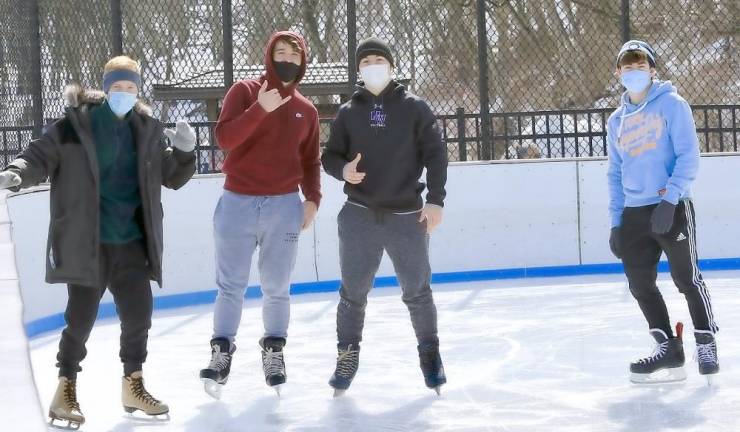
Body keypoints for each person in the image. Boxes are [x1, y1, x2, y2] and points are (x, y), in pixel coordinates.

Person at [0, 55, 196, 426]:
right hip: (88, 242)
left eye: (131, 88)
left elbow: (172, 175)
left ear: (138, 91)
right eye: (118, 87)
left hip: (132, 242)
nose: (124, 93)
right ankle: (65, 387)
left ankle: (133, 385)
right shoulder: (76, 126)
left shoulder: (146, 129)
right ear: (105, 89)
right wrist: (16, 172)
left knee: (139, 315)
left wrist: (185, 153)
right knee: (80, 319)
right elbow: (40, 155)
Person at [321, 37, 448, 396]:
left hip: (407, 216)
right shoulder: (348, 112)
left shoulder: (415, 108)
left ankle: (430, 355)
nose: (373, 65)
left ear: (391, 66)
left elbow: (436, 155)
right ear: (358, 69)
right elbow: (329, 157)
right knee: (352, 294)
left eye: (380, 59)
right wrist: (343, 170)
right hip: (359, 215)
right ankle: (346, 357)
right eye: (366, 61)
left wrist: (435, 200)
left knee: (417, 292)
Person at [199, 31, 321, 398]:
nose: (286, 59)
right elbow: (225, 139)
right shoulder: (245, 91)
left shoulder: (307, 110)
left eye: (293, 55)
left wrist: (312, 198)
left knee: (277, 287)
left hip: (284, 206)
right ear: (269, 56)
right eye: (279, 52)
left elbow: (310, 160)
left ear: (302, 62)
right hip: (237, 201)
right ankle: (221, 352)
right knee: (230, 285)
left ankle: (274, 350)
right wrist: (259, 110)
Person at [606, 40, 719, 384]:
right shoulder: (616, 121)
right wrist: (616, 222)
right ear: (619, 74)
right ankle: (668, 347)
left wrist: (670, 199)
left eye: (641, 66)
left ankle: (706, 341)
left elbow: (689, 157)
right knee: (640, 284)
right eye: (628, 68)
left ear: (653, 70)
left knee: (687, 278)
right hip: (634, 213)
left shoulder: (673, 105)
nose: (634, 72)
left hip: (671, 207)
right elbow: (614, 172)